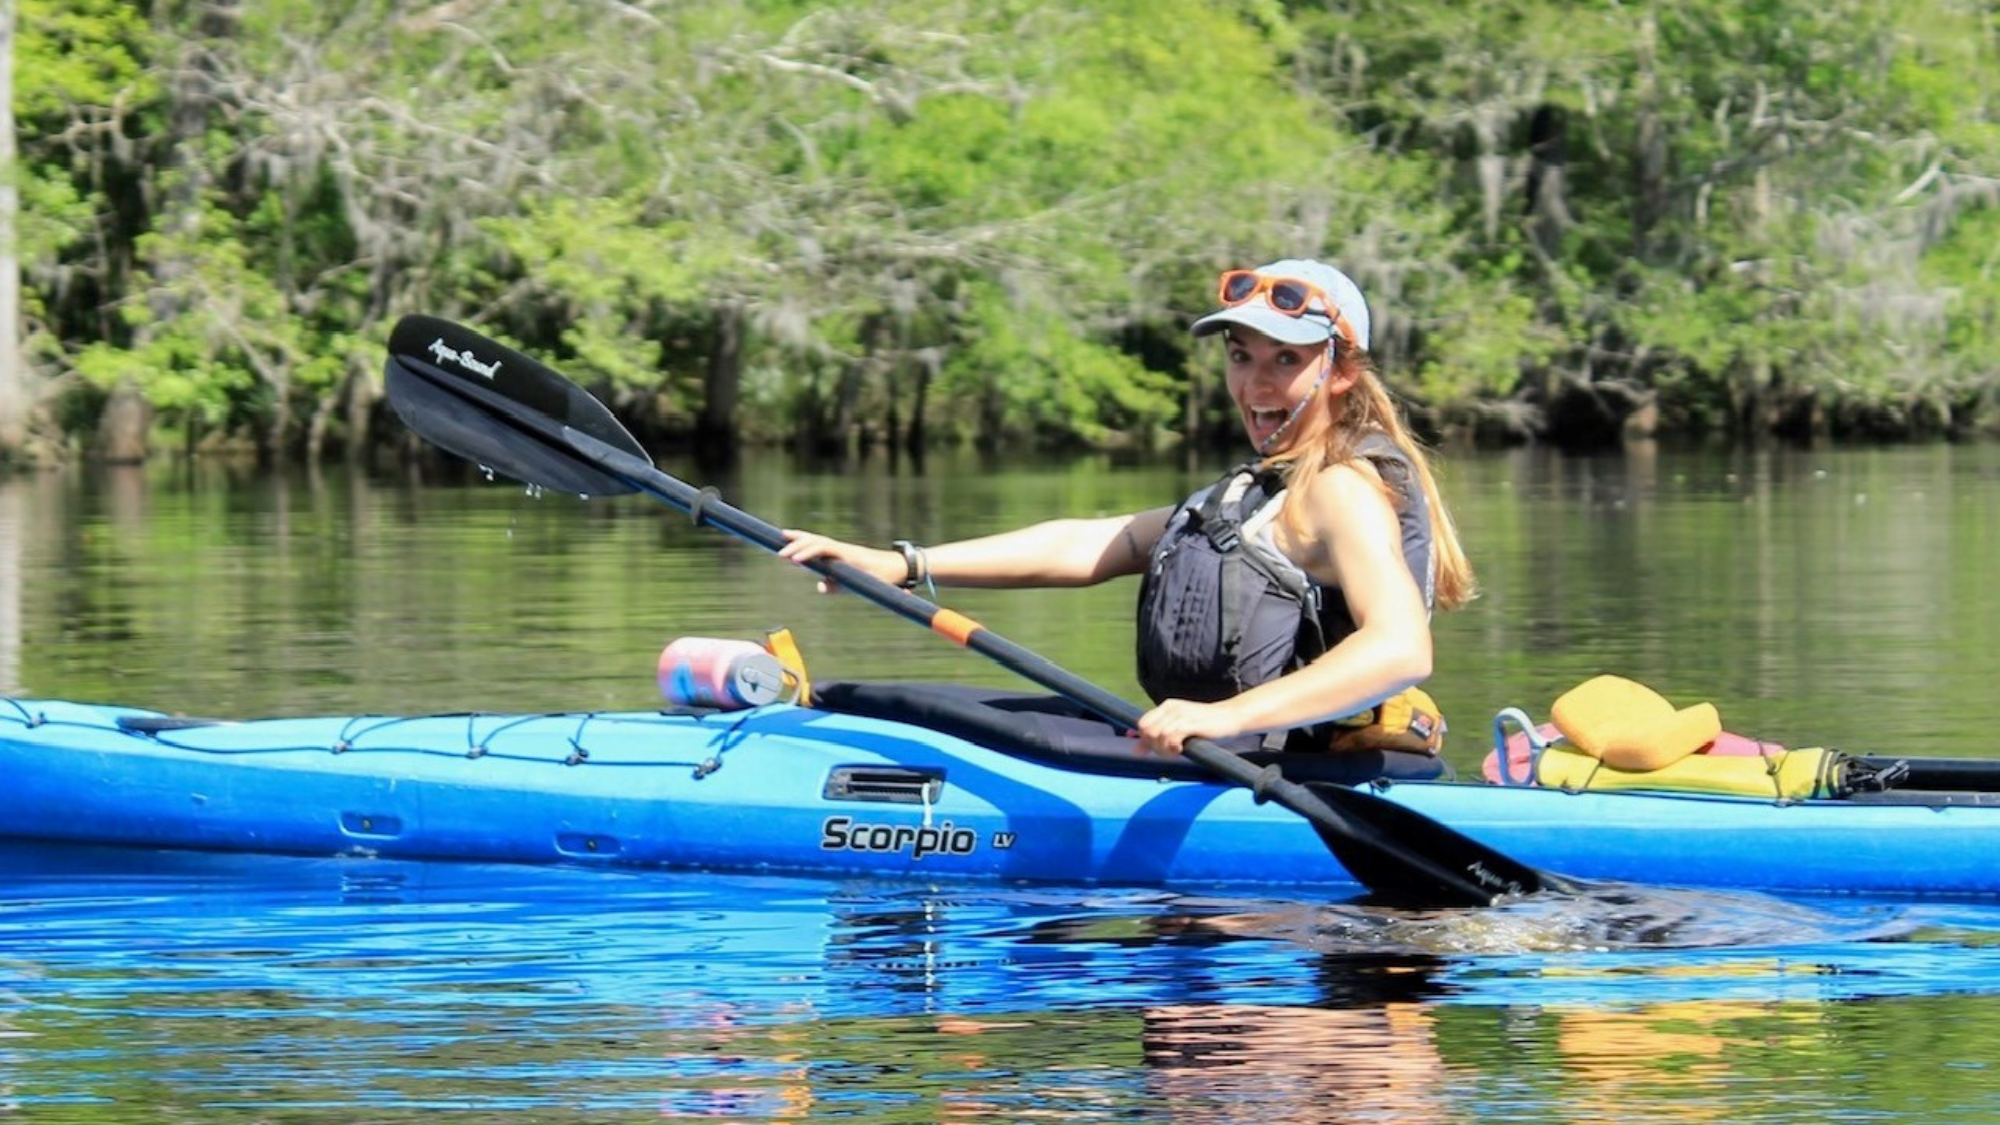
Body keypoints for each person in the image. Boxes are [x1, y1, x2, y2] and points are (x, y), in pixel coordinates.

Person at [778, 259, 1475, 758]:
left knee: (916, 713)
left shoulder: (1341, 486)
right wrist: (903, 562)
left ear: (1341, 370)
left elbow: (1400, 646)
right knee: (920, 704)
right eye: (1240, 356)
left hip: (1266, 758)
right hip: (1215, 743)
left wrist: (1222, 716)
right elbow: (1093, 543)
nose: (1255, 384)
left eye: (1283, 360)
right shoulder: (1264, 487)